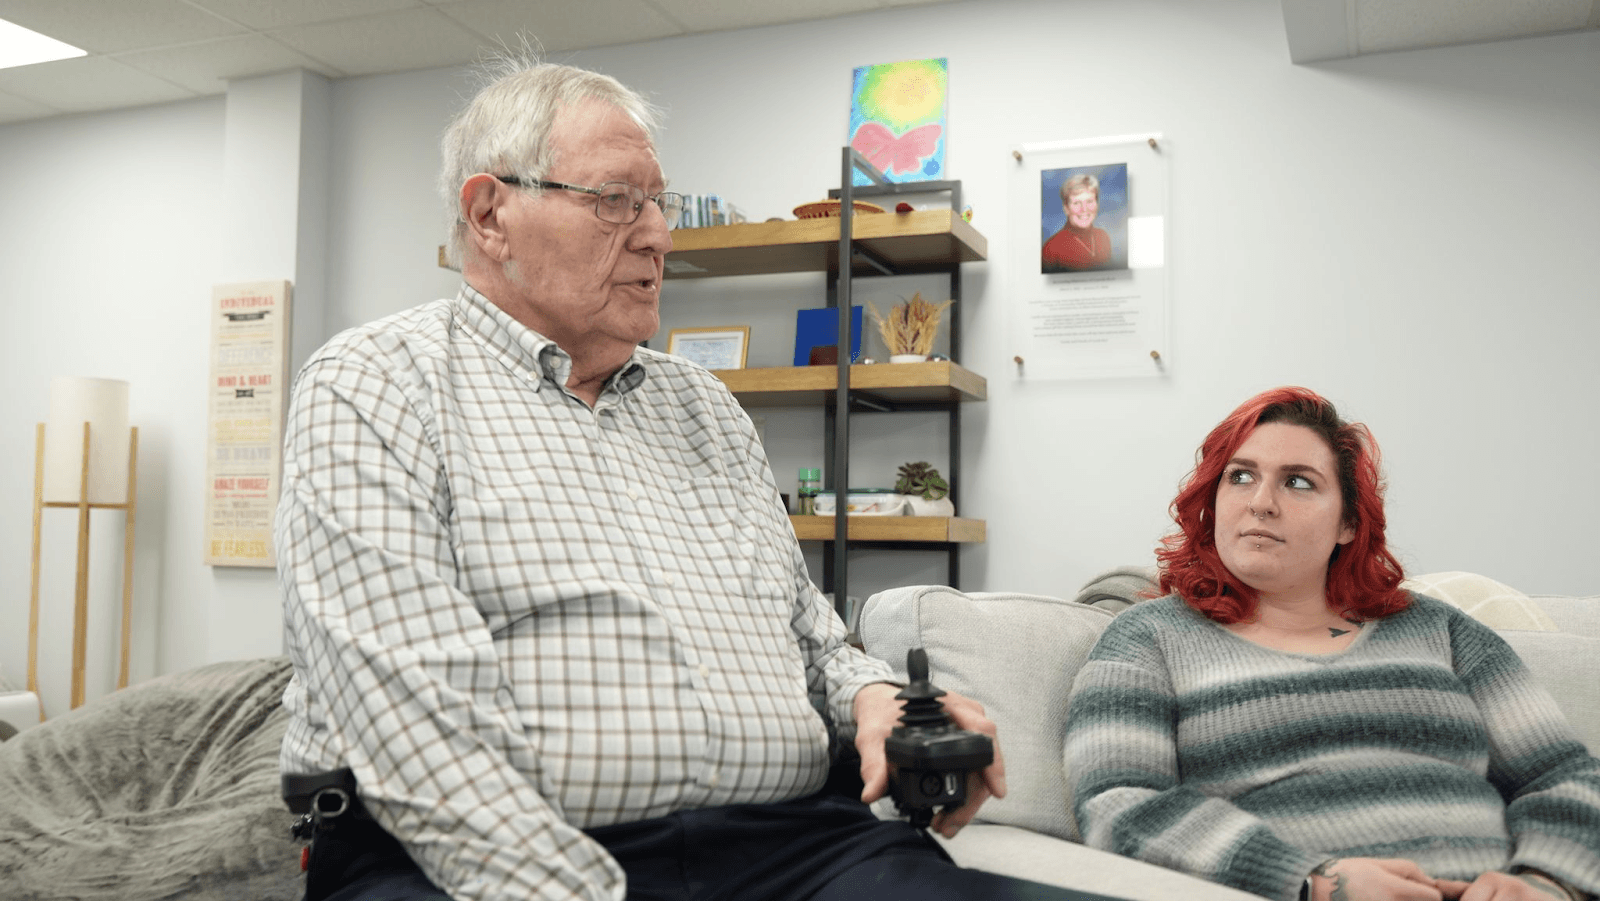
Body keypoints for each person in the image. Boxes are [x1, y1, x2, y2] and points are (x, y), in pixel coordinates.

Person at [276, 56, 1105, 901]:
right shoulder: (376, 382)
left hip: (789, 845)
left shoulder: (706, 406)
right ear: (491, 215)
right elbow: (417, 735)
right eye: (613, 201)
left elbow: (810, 637)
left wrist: (875, 697)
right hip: (474, 856)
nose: (658, 235)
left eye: (657, 202)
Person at [1063, 386, 1600, 901]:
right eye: (1240, 476)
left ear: (1348, 521)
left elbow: (1564, 775)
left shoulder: (1441, 630)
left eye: (1298, 482)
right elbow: (1119, 803)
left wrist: (1547, 879)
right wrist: (1311, 882)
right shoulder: (1148, 639)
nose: (1262, 503)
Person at [1041, 173, 1111, 272]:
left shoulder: (1103, 237)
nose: (1084, 209)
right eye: (1077, 203)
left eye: (1089, 201)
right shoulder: (1051, 249)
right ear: (1066, 208)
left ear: (1097, 204)